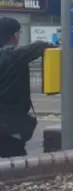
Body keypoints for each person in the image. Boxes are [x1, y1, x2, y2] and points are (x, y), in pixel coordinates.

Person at [0, 17, 55, 158]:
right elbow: (40, 46)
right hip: (8, 124)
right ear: (14, 35)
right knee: (15, 162)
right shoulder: (13, 55)